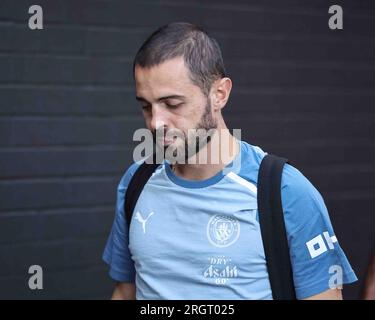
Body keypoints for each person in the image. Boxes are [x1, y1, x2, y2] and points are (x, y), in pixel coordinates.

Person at [102, 22, 357, 300]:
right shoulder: (137, 182)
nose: (155, 122)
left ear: (219, 94)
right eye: (145, 106)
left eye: (172, 104)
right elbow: (126, 293)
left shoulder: (284, 192)